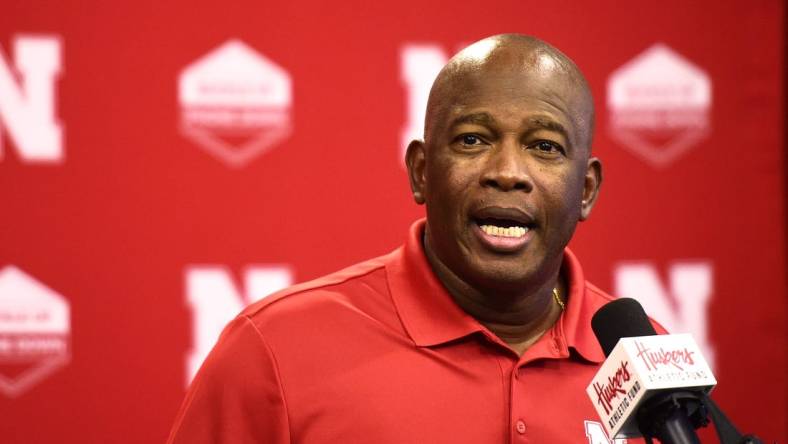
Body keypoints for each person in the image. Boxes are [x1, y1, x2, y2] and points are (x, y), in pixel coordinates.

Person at [168, 34, 656, 443]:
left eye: (544, 146)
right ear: (422, 172)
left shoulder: (646, 359)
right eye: (473, 139)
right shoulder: (272, 350)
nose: (507, 173)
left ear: (586, 190)